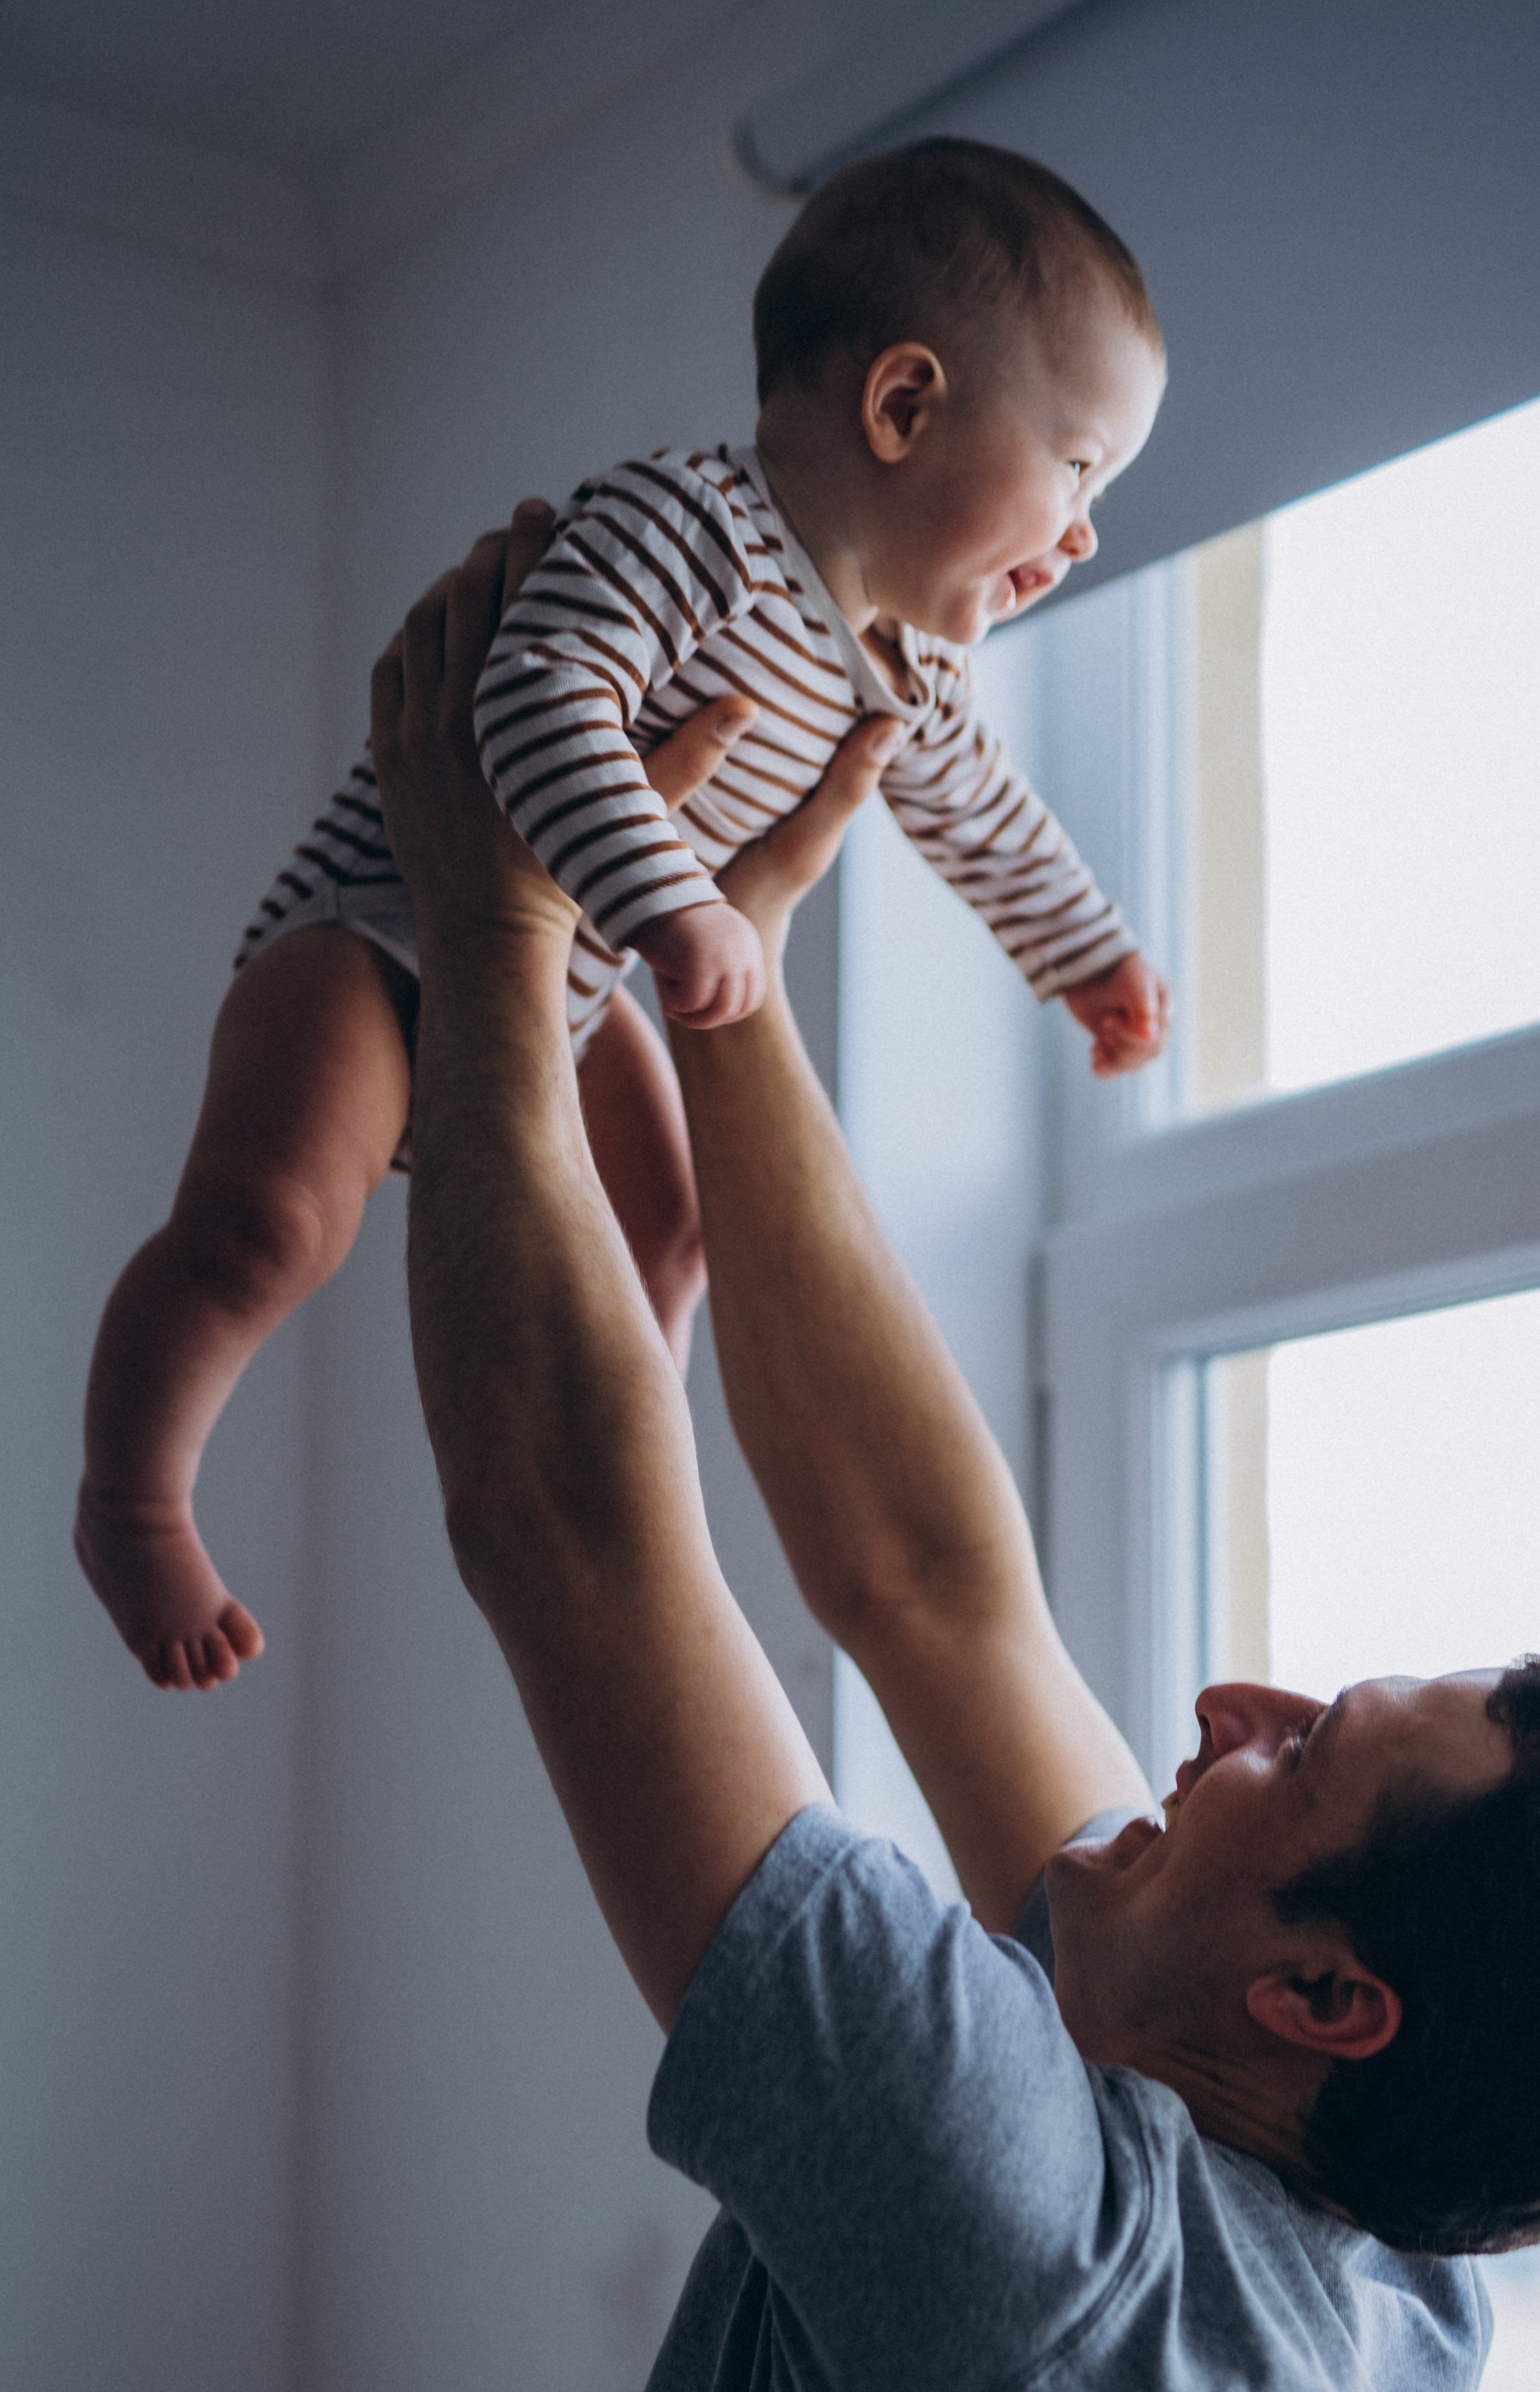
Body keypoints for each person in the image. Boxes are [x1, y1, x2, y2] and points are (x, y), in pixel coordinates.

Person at [373, 509, 1540, 2392]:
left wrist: (496, 919)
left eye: (1294, 1752)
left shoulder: (1031, 2255)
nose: (1216, 1713)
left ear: (1329, 1993)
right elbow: (933, 1587)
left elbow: (571, 1540)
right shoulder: (1386, 2257)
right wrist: (735, 984)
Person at [74, 138, 1169, 1690]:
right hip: (378, 930)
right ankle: (134, 1497)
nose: (1083, 533)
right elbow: (530, 701)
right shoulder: (693, 527)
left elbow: (978, 811)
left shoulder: (908, 666)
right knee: (269, 1226)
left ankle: (616, 1476)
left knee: (668, 1223)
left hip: (573, 982)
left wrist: (1088, 954)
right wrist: (675, 908)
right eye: (1077, 468)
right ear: (904, 406)